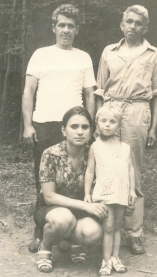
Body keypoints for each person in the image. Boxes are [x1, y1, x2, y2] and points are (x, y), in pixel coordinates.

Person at [22, 4, 96, 252]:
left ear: (77, 30)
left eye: (71, 26)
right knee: (42, 180)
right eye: (61, 25)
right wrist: (28, 125)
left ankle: (71, 232)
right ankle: (40, 231)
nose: (66, 30)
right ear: (54, 27)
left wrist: (90, 128)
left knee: (76, 179)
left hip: (74, 126)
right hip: (44, 124)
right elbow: (28, 91)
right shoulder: (41, 54)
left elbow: (90, 95)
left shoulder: (83, 57)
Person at [95, 5, 157, 255]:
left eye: (138, 23)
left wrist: (153, 127)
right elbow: (100, 90)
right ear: (122, 25)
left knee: (133, 170)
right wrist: (98, 120)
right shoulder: (108, 52)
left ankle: (135, 234)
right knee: (105, 167)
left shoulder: (152, 54)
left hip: (137, 112)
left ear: (145, 28)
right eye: (129, 22)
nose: (133, 26)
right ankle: (105, 228)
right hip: (110, 110)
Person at [35, 106, 108, 273]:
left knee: (93, 233)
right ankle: (45, 247)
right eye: (74, 127)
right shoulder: (50, 154)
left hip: (81, 212)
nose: (80, 132)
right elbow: (49, 197)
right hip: (51, 209)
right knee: (63, 219)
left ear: (91, 131)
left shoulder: (95, 154)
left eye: (85, 127)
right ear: (63, 130)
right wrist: (86, 206)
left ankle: (74, 243)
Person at [84, 106, 137, 275]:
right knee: (107, 226)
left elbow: (130, 170)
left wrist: (132, 191)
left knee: (117, 226)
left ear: (119, 126)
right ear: (97, 124)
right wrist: (87, 193)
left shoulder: (125, 147)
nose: (107, 125)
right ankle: (105, 261)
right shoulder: (95, 146)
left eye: (112, 122)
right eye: (103, 121)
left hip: (121, 190)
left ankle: (115, 257)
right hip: (104, 192)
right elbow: (90, 171)